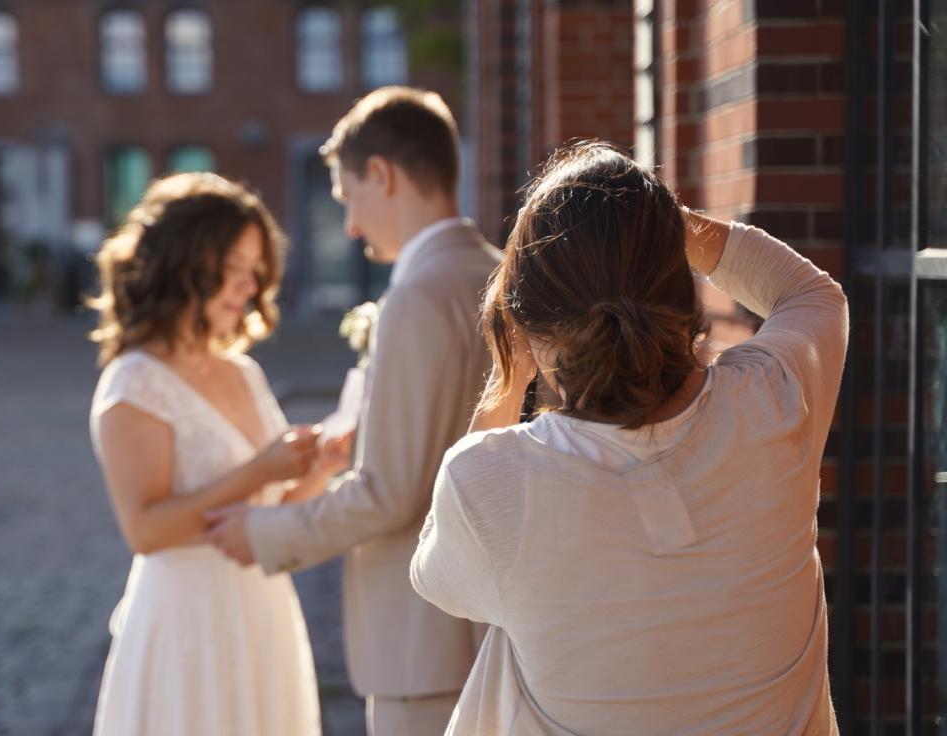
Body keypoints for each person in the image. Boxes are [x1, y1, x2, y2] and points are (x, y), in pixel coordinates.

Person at [411, 141, 845, 734]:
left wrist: (508, 381)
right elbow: (812, 293)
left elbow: (436, 577)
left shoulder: (488, 482)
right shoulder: (773, 402)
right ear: (681, 287)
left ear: (527, 327)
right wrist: (655, 218)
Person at [205, 87, 501, 736]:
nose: (351, 227)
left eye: (348, 197)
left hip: (423, 646)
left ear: (382, 175)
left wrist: (263, 531)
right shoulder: (502, 274)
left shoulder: (417, 297)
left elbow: (389, 494)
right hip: (496, 626)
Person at [88, 173, 352, 736]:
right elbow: (145, 530)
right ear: (184, 264)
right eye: (234, 267)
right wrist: (259, 470)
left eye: (255, 269)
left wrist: (324, 465)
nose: (248, 285)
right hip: (186, 624)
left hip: (261, 611)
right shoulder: (134, 382)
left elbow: (276, 505)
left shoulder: (242, 371)